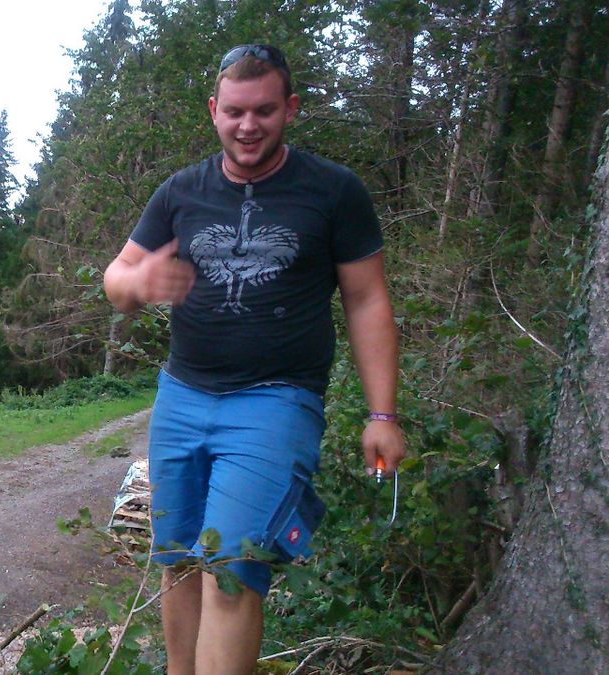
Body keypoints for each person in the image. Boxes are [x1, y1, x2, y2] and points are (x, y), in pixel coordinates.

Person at [103, 44, 406, 674]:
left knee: (231, 570)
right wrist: (135, 283)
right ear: (213, 110)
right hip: (182, 396)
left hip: (277, 400)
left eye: (264, 111)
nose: (248, 126)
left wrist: (382, 414)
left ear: (290, 109)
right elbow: (118, 276)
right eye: (235, 111)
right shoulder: (181, 192)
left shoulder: (333, 191)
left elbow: (367, 300)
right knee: (178, 561)